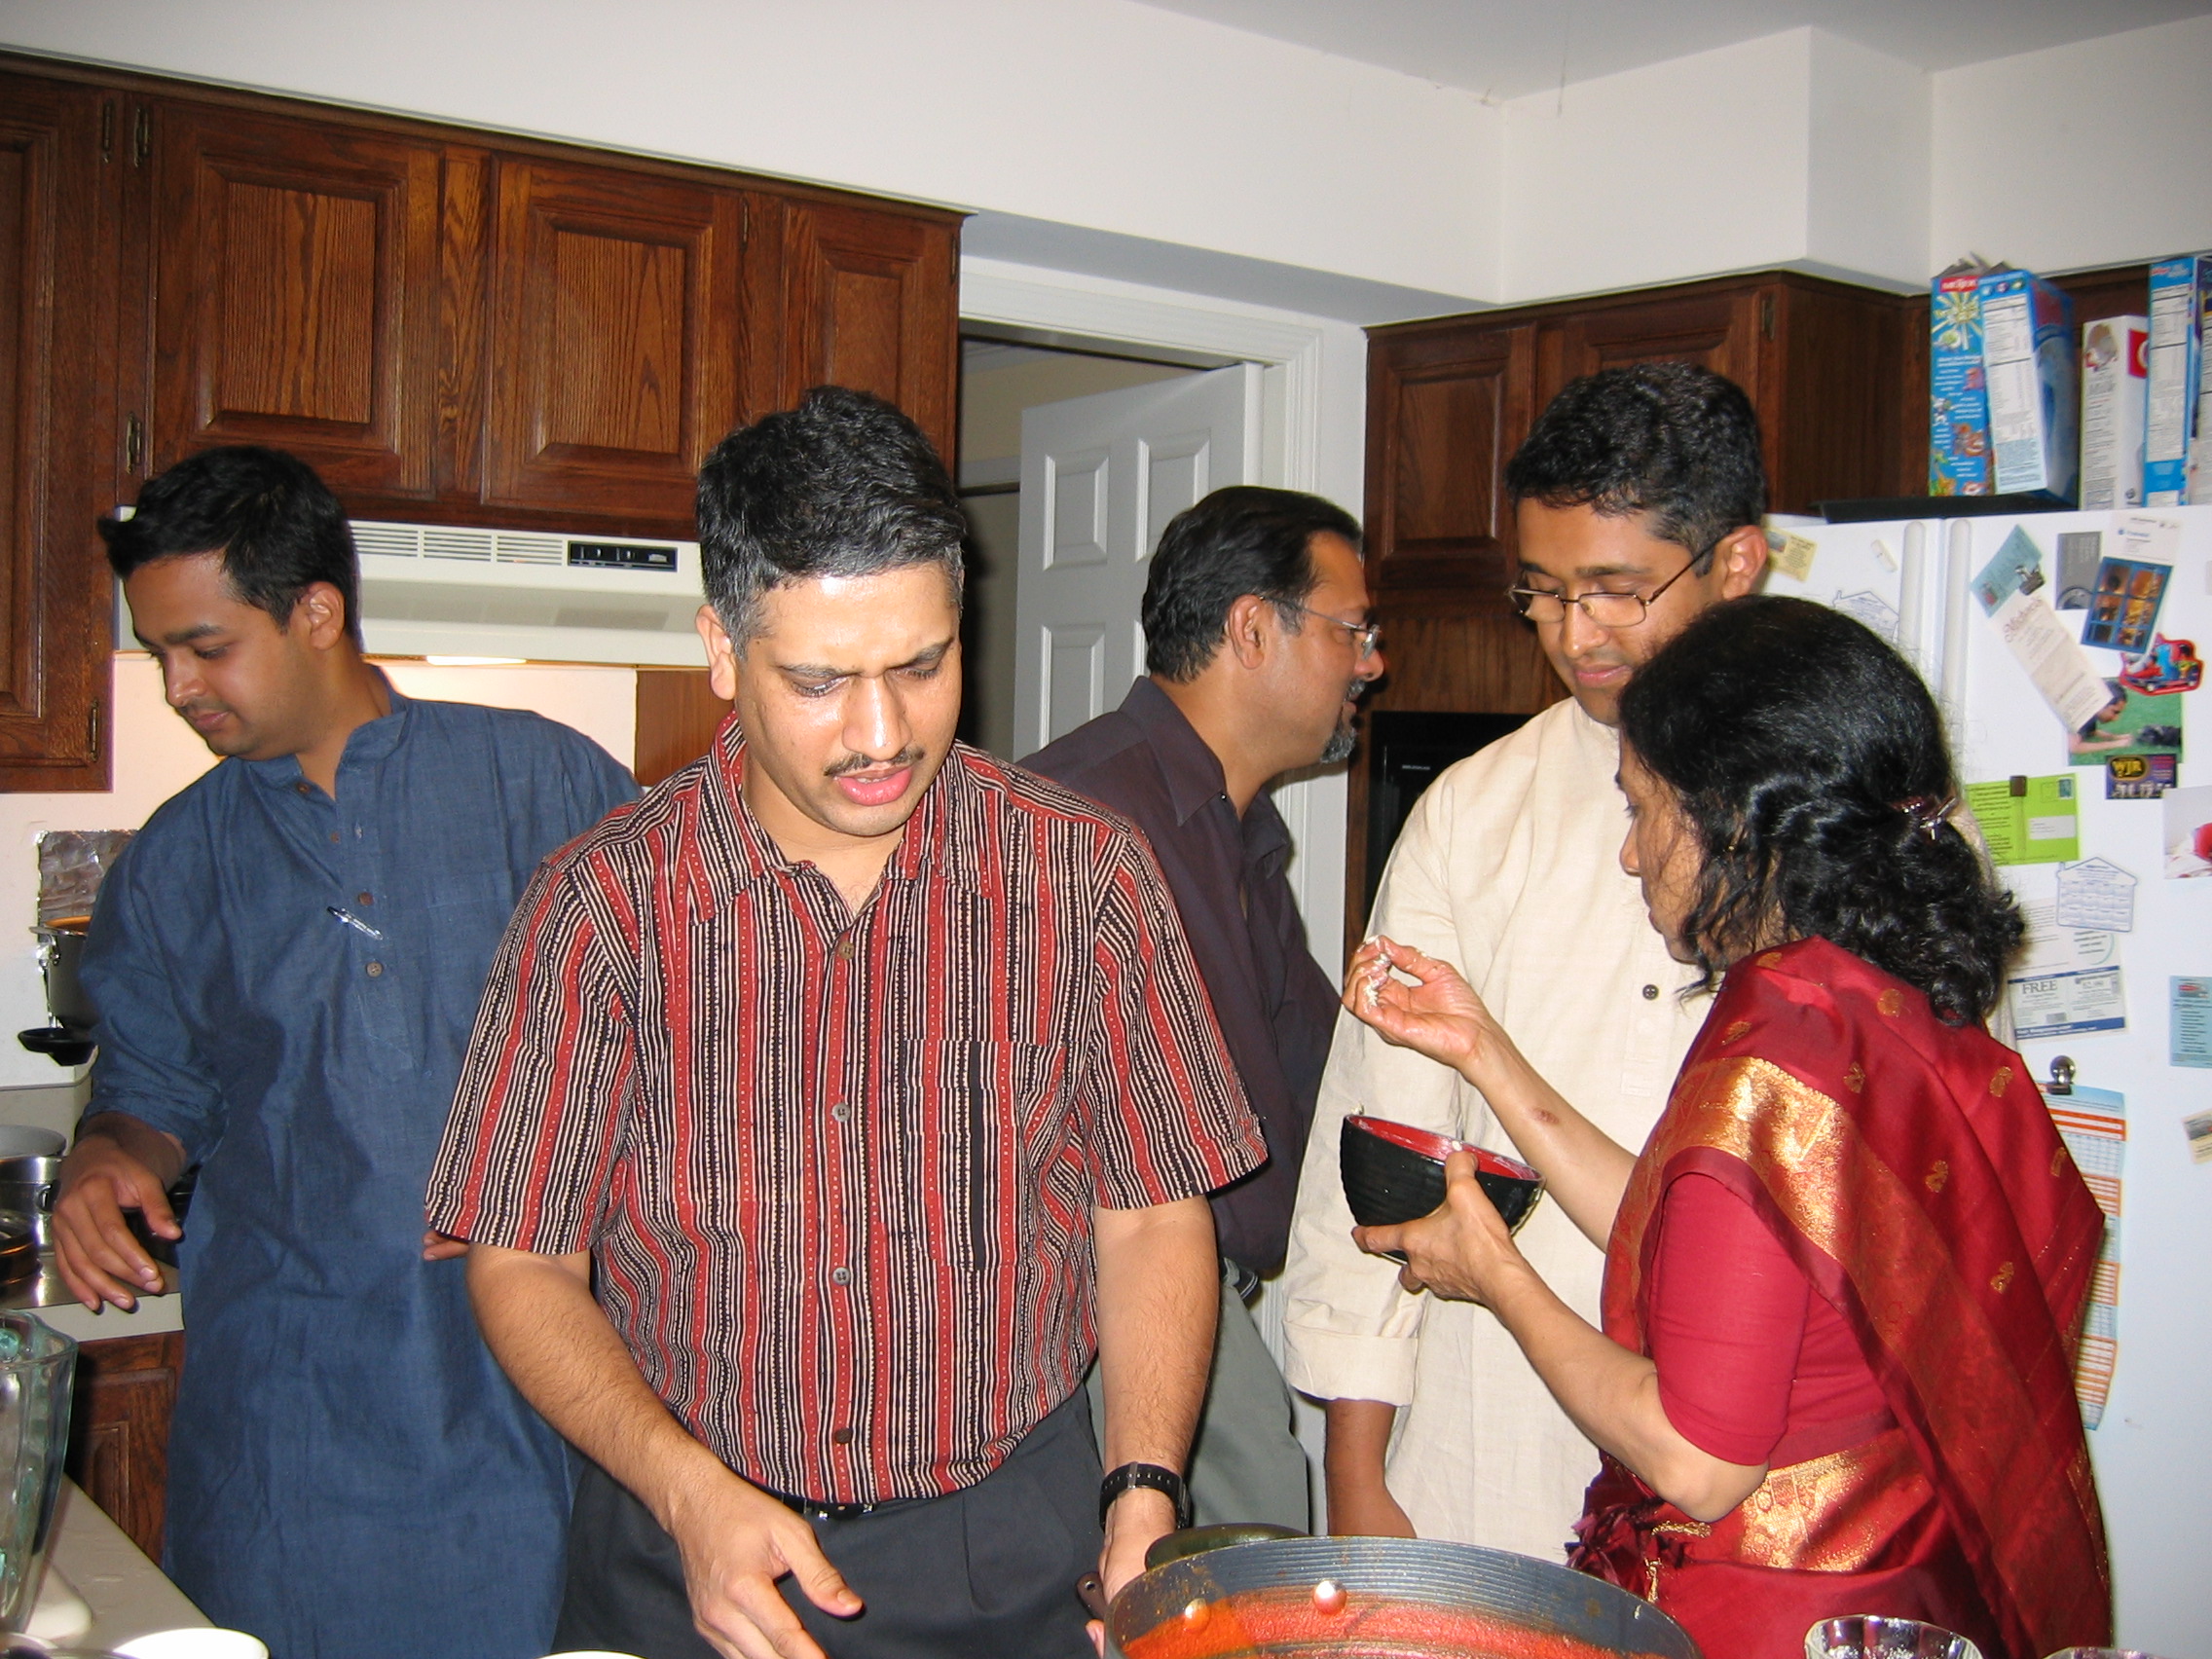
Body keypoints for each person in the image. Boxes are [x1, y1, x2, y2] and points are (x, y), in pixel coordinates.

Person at [425, 387, 1264, 1659]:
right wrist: (683, 1491)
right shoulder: (601, 907)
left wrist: (1142, 1493)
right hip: (688, 1550)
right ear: (722, 650)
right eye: (819, 682)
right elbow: (521, 1260)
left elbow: (1151, 1213)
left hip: (1007, 1555)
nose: (882, 735)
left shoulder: (1085, 876)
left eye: (922, 667)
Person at [1345, 595, 2113, 1659]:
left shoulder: (1771, 1063)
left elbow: (1697, 1461)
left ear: (1734, 825)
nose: (1630, 855)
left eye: (1641, 810)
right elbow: (1720, 1250)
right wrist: (1485, 1050)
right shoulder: (1880, 1005)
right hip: (1915, 1586)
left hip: (1776, 1616)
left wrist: (1495, 1276)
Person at [53, 446, 639, 1658]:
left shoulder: (544, 783)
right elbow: (152, 1088)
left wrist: (568, 1184)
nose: (177, 687)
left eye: (206, 647)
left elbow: (691, 1046)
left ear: (315, 614)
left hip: (528, 1384)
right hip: (289, 1412)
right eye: (160, 654)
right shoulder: (175, 859)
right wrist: (111, 1157)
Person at [1280, 362, 1767, 1553]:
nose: (1573, 636)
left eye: (1615, 592)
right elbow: (1377, 1145)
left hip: (1768, 1492)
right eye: (1542, 595)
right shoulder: (1473, 810)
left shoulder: (1849, 818)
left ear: (1736, 563)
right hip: (1487, 1456)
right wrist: (1356, 1472)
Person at [1027, 487, 1385, 1531]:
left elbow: (1323, 1072)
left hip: (1199, 1289)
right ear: (1252, 628)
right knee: (1249, 1554)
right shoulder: (1075, 817)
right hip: (1108, 1300)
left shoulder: (1240, 832)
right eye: (1352, 631)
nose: (1371, 663)